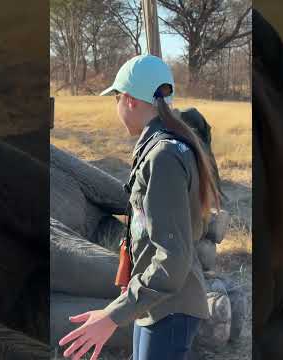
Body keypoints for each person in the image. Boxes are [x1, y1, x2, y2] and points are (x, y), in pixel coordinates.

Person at [59, 54, 220, 360]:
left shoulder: (163, 156)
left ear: (130, 100)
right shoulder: (165, 145)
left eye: (116, 98)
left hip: (169, 308)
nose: (116, 106)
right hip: (157, 303)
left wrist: (112, 316)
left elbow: (172, 258)